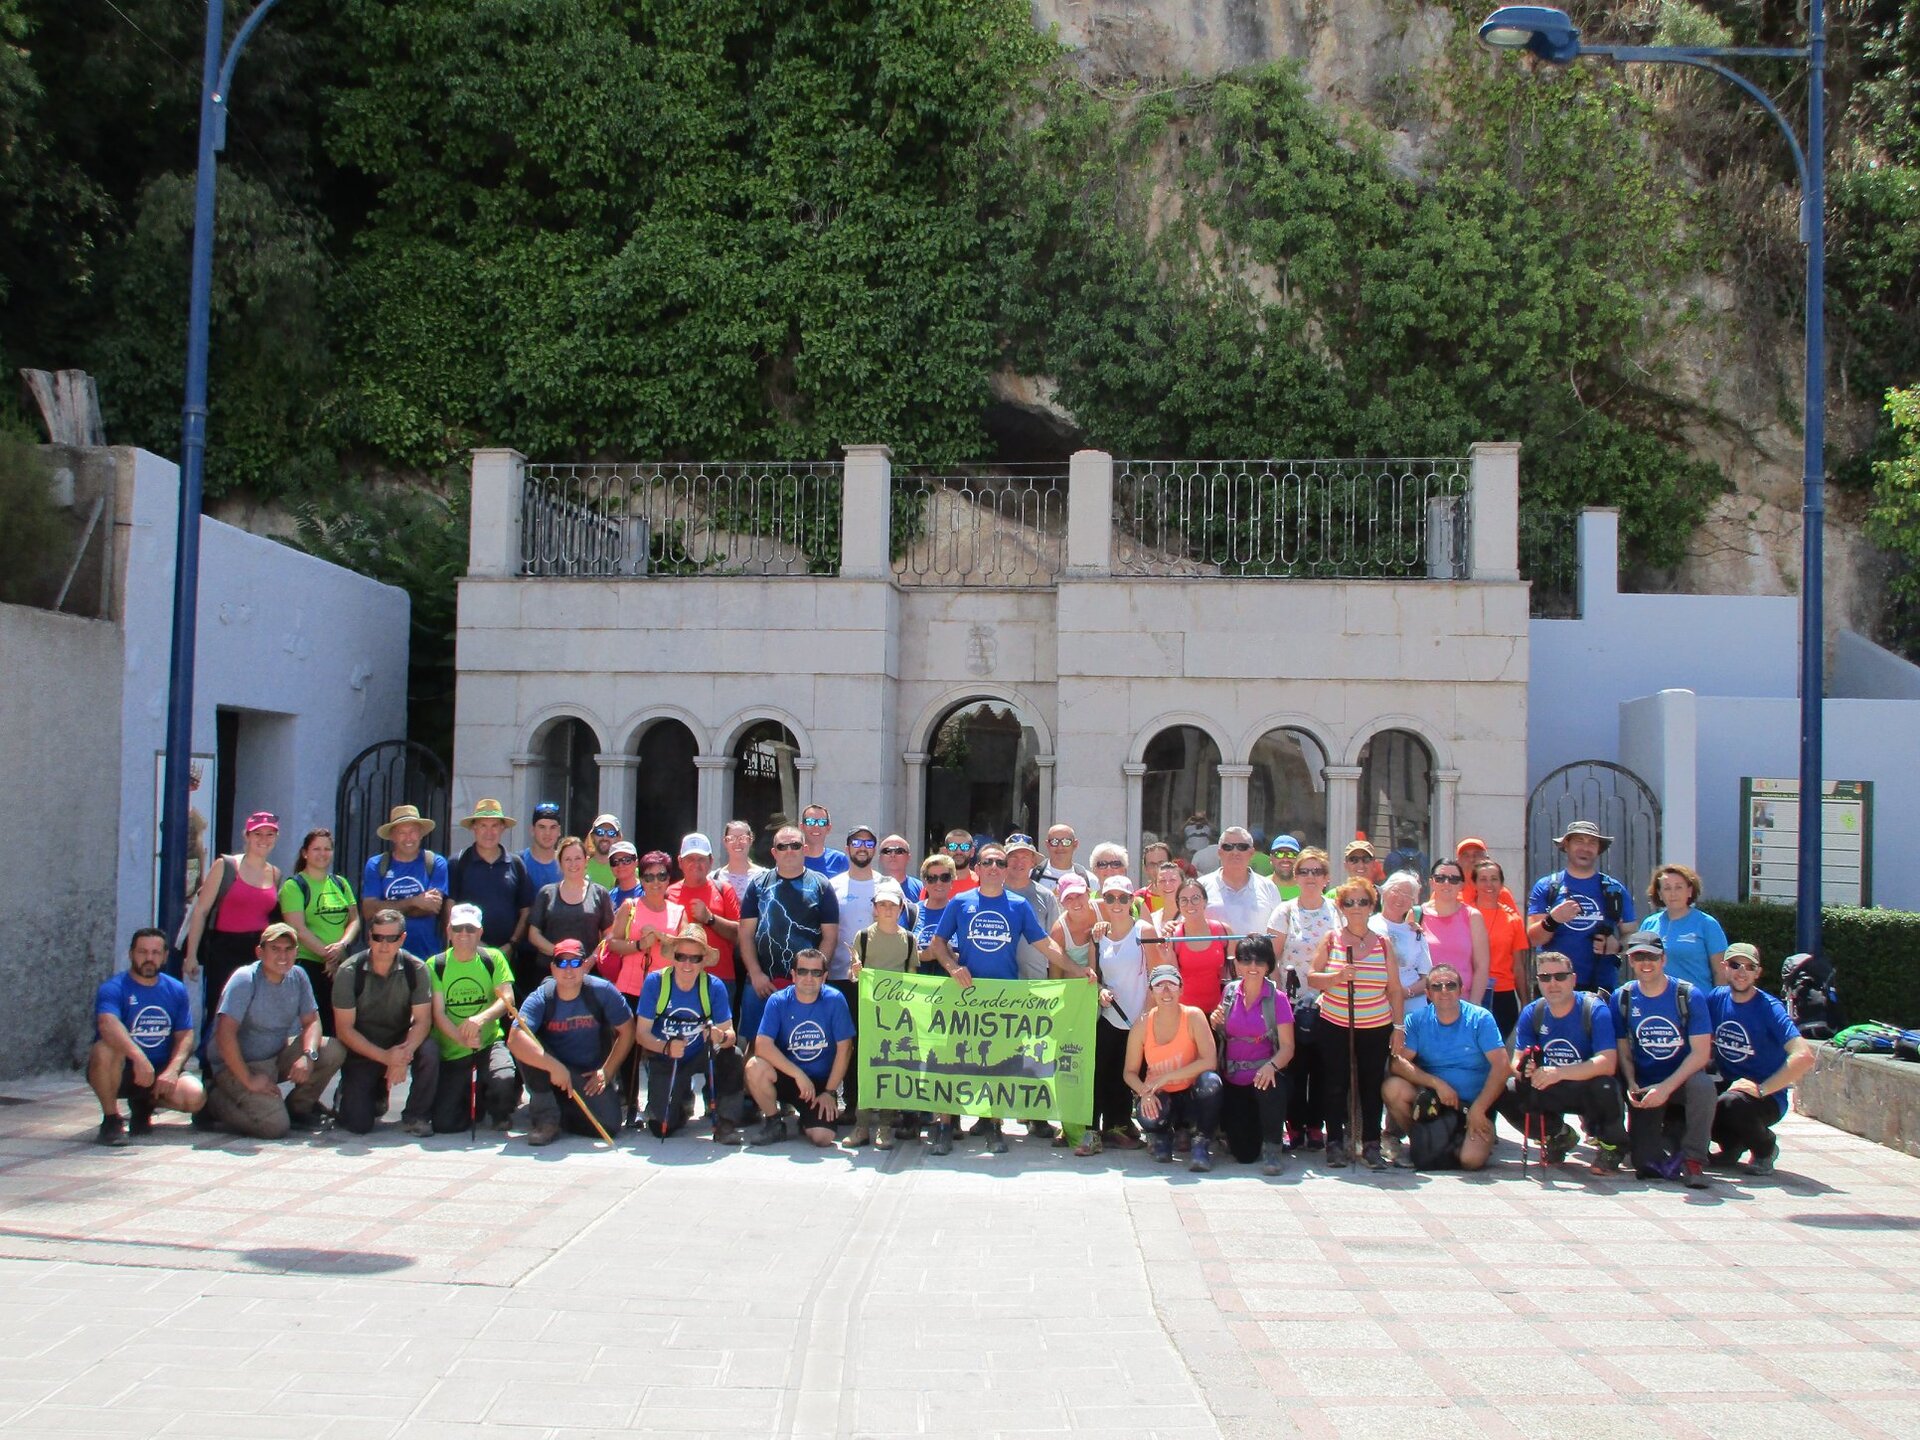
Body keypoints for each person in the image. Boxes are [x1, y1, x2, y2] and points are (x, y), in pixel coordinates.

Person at [928, 842, 1066, 1153]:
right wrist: (953, 967)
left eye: (1000, 863)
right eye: (988, 862)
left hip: (1004, 998)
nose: (994, 867)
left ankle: (993, 1125)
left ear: (1005, 871)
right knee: (953, 1062)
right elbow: (938, 943)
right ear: (976, 868)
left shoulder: (1019, 905)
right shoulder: (960, 902)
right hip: (965, 997)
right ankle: (945, 1126)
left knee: (997, 1064)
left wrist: (1078, 969)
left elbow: (1045, 945)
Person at [204, 923, 347, 1139]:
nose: (283, 955)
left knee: (332, 1049)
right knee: (274, 1126)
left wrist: (308, 1055)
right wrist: (248, 1080)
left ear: (296, 952)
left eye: (288, 949)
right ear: (259, 952)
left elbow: (312, 1021)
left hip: (275, 1057)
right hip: (236, 1066)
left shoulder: (298, 976)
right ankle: (212, 1103)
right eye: (275, 949)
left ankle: (299, 1108)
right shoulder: (245, 979)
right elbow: (225, 1035)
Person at [1501, 949, 1629, 1172]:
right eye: (1545, 977)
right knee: (1509, 1090)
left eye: (1560, 976)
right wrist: (1525, 1069)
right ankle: (1558, 1135)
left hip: (1586, 1087)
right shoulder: (1533, 1011)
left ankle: (1611, 1145)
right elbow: (1516, 1060)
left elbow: (1607, 1062)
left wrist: (1558, 1072)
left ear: (1573, 979)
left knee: (1606, 1086)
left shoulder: (1593, 1009)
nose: (1553, 983)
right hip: (1550, 1086)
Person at [1308, 877, 1405, 1170]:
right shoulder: (1332, 939)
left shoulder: (1383, 943)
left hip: (1375, 1025)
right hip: (1335, 1022)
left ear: (1371, 905)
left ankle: (1371, 1143)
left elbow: (1394, 989)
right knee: (1335, 1084)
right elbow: (1312, 977)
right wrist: (1337, 977)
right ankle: (1335, 1143)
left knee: (1371, 1085)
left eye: (1362, 901)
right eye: (1349, 902)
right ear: (1341, 907)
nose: (1356, 907)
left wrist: (1398, 1028)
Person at [508, 937, 634, 1145]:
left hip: (587, 1075)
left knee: (609, 1125)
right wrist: (553, 1066)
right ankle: (546, 1119)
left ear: (584, 965)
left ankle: (562, 1110)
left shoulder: (603, 991)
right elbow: (514, 1040)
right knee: (527, 1041)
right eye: (561, 963)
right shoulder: (542, 997)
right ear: (552, 968)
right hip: (551, 1070)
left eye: (575, 963)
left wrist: (607, 1070)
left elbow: (628, 1030)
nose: (568, 969)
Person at [1382, 963, 1507, 1170]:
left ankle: (1461, 1140)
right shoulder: (1416, 1020)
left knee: (1471, 1161)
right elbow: (1398, 1063)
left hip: (1473, 1106)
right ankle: (1423, 1143)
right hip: (1435, 1104)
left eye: (1450, 985)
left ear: (1460, 989)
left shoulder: (1480, 1018)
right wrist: (1436, 1083)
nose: (1444, 991)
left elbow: (1502, 1066)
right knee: (1393, 1088)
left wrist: (1479, 1108)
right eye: (1437, 986)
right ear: (1428, 993)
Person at [1615, 930, 1713, 1187]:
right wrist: (1631, 1082)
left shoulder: (1688, 995)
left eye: (1652, 957)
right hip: (1645, 1083)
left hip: (1681, 1080)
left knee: (1703, 1085)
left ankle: (1694, 1158)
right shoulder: (1623, 997)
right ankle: (1665, 1138)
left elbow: (1701, 1054)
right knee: (1644, 1163)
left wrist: (1665, 1088)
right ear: (1631, 961)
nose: (1646, 963)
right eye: (1639, 957)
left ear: (1663, 959)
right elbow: (1623, 1048)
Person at [1708, 942, 1817, 1175]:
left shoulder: (1769, 1008)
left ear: (1758, 972)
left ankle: (1765, 1148)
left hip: (1764, 1096)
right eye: (1735, 965)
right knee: (1695, 1096)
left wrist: (1762, 1088)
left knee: (1731, 1103)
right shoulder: (1716, 999)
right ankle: (1731, 1145)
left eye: (1749, 967)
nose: (1742, 972)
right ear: (1724, 967)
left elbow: (1804, 1055)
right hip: (1729, 1084)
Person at [183, 811, 283, 1061]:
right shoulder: (226, 866)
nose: (263, 839)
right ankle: (211, 1065)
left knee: (252, 1011)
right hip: (224, 948)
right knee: (220, 1009)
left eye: (269, 834)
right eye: (258, 834)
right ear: (246, 836)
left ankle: (244, 1063)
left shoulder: (275, 874)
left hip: (258, 951)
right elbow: (201, 911)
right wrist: (191, 955)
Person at [90, 928, 204, 1144]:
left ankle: (144, 1105)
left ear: (165, 956)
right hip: (122, 1069)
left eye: (155, 952)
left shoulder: (176, 989)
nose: (149, 958)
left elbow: (185, 1035)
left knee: (194, 1097)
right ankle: (111, 1119)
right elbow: (107, 1024)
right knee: (103, 1050)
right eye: (142, 952)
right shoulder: (113, 988)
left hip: (159, 1071)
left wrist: (172, 1071)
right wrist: (139, 1058)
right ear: (131, 954)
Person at [331, 910, 438, 1136]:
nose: (384, 945)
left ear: (402, 938)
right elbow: (344, 1030)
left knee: (429, 1050)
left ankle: (417, 1115)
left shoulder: (416, 968)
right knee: (358, 1125)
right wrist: (386, 1058)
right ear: (369, 936)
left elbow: (423, 1021)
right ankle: (361, 1091)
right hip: (362, 1045)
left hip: (399, 1041)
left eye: (392, 938)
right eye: (378, 937)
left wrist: (403, 1055)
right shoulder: (349, 971)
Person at [634, 924, 744, 1142]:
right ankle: (681, 1100)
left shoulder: (714, 986)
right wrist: (666, 1047)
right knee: (661, 1128)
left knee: (733, 1056)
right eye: (681, 956)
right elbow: (641, 1034)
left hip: (702, 1054)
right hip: (667, 1057)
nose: (687, 964)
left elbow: (729, 1033)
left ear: (703, 961)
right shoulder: (656, 982)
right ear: (673, 957)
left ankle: (726, 1123)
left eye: (695, 958)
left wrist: (720, 1038)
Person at [738, 824, 840, 1047]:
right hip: (762, 984)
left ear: (805, 849)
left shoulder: (822, 886)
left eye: (795, 845)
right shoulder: (757, 885)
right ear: (774, 852)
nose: (789, 851)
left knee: (804, 1047)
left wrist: (814, 977)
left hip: (807, 984)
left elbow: (830, 937)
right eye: (782, 847)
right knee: (756, 1047)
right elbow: (745, 934)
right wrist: (755, 974)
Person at [745, 948, 854, 1147]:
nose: (809, 978)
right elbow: (762, 1046)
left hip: (820, 1084)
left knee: (823, 1138)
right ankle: (773, 1122)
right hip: (788, 1076)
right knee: (754, 1066)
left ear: (825, 977)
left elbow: (845, 1049)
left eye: (816, 972)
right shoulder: (778, 1001)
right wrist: (798, 1074)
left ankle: (808, 1119)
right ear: (793, 975)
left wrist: (830, 1092)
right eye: (803, 971)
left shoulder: (835, 1000)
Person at [1078, 875, 1154, 1156]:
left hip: (1140, 1018)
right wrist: (1100, 991)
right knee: (1099, 1073)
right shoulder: (1097, 937)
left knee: (1127, 1075)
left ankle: (1119, 1126)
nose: (1116, 903)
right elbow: (1094, 978)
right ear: (1103, 901)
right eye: (1110, 898)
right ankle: (1092, 1131)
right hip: (1111, 1017)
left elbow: (1158, 974)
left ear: (1132, 900)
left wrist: (1146, 1014)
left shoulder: (1144, 930)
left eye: (1123, 898)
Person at [1267, 847, 1338, 1150]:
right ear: (1295, 876)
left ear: (1326, 878)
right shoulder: (1284, 912)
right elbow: (1271, 959)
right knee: (1294, 1067)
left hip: (1329, 1002)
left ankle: (1315, 1126)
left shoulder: (1337, 911)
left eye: (1317, 872)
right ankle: (1294, 1126)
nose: (1310, 877)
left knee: (1323, 1068)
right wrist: (1279, 998)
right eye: (1304, 871)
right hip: (1291, 1002)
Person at [427, 904, 520, 1133]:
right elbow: (438, 1013)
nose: (464, 934)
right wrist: (462, 1039)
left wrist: (480, 1019)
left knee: (504, 1078)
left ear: (480, 932)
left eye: (470, 929)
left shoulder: (494, 958)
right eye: (458, 928)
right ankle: (473, 1099)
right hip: (452, 1050)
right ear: (448, 931)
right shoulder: (435, 964)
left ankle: (499, 1112)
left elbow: (507, 998)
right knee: (445, 1124)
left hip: (488, 1042)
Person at [1209, 936, 1293, 1173]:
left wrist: (1271, 1067)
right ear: (1236, 964)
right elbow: (1224, 1032)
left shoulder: (1278, 999)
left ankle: (1273, 1147)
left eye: (1259, 961)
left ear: (1268, 965)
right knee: (1244, 1155)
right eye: (1246, 960)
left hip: (1264, 1077)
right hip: (1233, 1079)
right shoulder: (1229, 992)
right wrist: (1215, 1022)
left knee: (1271, 1086)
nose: (1252, 966)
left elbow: (1288, 1047)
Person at [1128, 966, 1223, 1172]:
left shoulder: (1194, 1016)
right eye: (1159, 985)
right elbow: (1129, 1072)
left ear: (1181, 989)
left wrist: (1167, 1077)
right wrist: (1144, 1093)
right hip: (1161, 1096)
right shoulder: (1142, 1024)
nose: (1166, 991)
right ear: (1151, 992)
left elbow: (1209, 1062)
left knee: (1211, 1083)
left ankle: (1201, 1141)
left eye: (1171, 984)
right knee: (1149, 1114)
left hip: (1191, 1095)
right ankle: (1162, 1134)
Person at [1528, 820, 1635, 993]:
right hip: (1554, 986)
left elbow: (1632, 935)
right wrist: (1553, 920)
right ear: (1566, 845)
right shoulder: (1547, 887)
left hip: (1600, 988)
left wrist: (1618, 947)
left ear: (1599, 849)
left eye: (1592, 842)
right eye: (1579, 841)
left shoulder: (1614, 889)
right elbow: (1533, 939)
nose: (1585, 848)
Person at [847, 881, 915, 1147]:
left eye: (892, 905)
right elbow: (853, 975)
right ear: (874, 908)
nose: (887, 909)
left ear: (901, 909)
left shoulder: (909, 939)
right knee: (866, 1068)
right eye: (882, 904)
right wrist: (856, 972)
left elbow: (912, 979)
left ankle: (885, 1126)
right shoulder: (863, 936)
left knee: (891, 1068)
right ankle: (861, 1125)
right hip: (868, 1012)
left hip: (896, 1015)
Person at [278, 827, 359, 1037]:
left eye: (327, 849)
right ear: (305, 853)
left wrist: (341, 946)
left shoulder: (341, 883)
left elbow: (355, 920)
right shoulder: (294, 886)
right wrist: (328, 955)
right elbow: (298, 929)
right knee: (315, 1024)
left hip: (340, 964)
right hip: (309, 965)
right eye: (316, 849)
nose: (322, 854)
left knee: (340, 1025)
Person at [360, 804, 448, 964]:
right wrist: (415, 901)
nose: (408, 838)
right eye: (402, 832)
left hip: (427, 956)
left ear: (420, 834)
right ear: (393, 836)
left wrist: (386, 909)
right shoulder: (376, 864)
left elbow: (432, 907)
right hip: (386, 958)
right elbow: (369, 911)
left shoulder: (435, 862)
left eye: (413, 831)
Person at [447, 799, 532, 960]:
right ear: (474, 827)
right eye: (483, 826)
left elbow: (526, 911)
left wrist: (512, 944)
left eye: (494, 826)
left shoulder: (516, 864)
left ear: (502, 828)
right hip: (466, 953)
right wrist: (473, 944)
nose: (489, 832)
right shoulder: (458, 863)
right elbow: (449, 909)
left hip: (507, 955)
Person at [668, 833, 743, 1008]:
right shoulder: (668, 893)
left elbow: (739, 935)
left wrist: (710, 918)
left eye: (701, 859)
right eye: (690, 859)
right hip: (678, 978)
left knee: (721, 1026)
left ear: (711, 861)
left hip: (720, 979)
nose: (696, 864)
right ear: (680, 862)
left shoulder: (724, 890)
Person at [526, 836, 615, 981]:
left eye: (577, 858)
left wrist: (591, 960)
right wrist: (562, 955)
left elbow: (609, 935)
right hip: (550, 972)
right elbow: (533, 935)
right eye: (567, 859)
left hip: (588, 972)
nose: (573, 864)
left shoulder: (600, 893)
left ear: (586, 861)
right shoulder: (546, 893)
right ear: (560, 863)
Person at [1639, 863, 1728, 990]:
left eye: (1679, 887)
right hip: (1656, 999)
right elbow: (1640, 966)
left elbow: (1721, 972)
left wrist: (1718, 1000)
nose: (1673, 893)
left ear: (1689, 891)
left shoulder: (1707, 924)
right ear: (1659, 893)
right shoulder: (1649, 924)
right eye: (1667, 888)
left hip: (1697, 999)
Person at [1470, 857, 1532, 1034]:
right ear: (1474, 884)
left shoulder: (1513, 919)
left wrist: (1525, 1002)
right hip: (1469, 991)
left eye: (1494, 879)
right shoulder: (1463, 915)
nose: (1489, 884)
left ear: (1502, 884)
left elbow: (1518, 966)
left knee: (1497, 1047)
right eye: (1483, 879)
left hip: (1503, 994)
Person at [1158, 877, 1232, 1017]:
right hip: (1185, 1014)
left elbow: (1235, 976)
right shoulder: (1174, 935)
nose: (1190, 904)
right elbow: (1173, 980)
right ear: (1178, 905)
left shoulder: (1223, 931)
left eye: (1195, 898)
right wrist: (1167, 957)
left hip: (1218, 1014)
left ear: (1205, 901)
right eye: (1184, 900)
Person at [1421, 858, 1490, 1006]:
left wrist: (1474, 1005)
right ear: (1432, 882)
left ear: (1461, 885)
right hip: (1424, 1002)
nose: (1446, 883)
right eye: (1440, 878)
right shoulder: (1417, 914)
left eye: (1453, 879)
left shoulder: (1472, 916)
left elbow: (1482, 965)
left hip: (1462, 1002)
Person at [516, 802, 565, 999]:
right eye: (542, 827)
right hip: (524, 954)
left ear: (559, 831)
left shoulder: (567, 864)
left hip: (559, 956)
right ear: (532, 830)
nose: (547, 833)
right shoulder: (518, 863)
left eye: (553, 827)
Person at [1200, 827, 1280, 940]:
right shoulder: (1201, 886)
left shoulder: (1269, 887)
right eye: (1228, 847)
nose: (1235, 852)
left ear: (1251, 852)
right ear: (1219, 852)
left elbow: (1279, 932)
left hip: (1258, 951)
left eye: (1242, 847)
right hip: (1214, 952)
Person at [1003, 834, 1062, 983]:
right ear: (1004, 860)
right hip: (995, 982)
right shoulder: (990, 891)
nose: (1019, 862)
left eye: (1024, 857)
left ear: (1033, 862)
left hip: (1034, 982)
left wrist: (1054, 984)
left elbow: (1056, 942)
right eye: (1013, 857)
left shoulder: (1046, 896)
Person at [1373, 871, 1432, 1016]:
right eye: (1397, 891)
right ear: (1385, 891)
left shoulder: (1415, 933)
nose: (1401, 898)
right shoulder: (1367, 925)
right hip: (1375, 1005)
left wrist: (1406, 992)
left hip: (1412, 1008)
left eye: (1407, 895)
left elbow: (1427, 977)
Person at [912, 853, 956, 974]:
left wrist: (950, 956)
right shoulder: (911, 912)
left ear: (952, 881)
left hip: (953, 983)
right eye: (932, 878)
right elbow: (899, 952)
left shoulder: (960, 913)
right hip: (917, 983)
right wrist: (926, 955)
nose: (938, 883)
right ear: (924, 883)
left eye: (945, 877)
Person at [1455, 838, 1518, 910]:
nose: (1472, 859)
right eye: (1466, 855)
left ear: (1487, 859)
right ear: (1458, 862)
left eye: (1477, 854)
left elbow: (1513, 916)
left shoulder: (1499, 892)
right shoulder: (1452, 893)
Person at [718, 819, 766, 905]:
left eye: (742, 838)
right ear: (725, 842)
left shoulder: (764, 876)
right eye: (732, 838)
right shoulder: (715, 878)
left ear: (750, 841)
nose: (737, 843)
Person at [799, 803, 851, 878]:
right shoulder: (793, 857)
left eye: (822, 822)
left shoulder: (839, 860)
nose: (816, 826)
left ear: (828, 828)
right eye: (810, 822)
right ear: (802, 827)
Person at [1042, 824, 1093, 891]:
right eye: (1054, 842)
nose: (1060, 847)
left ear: (1075, 844)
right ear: (1047, 845)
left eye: (1066, 842)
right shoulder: (1032, 876)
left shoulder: (1090, 880)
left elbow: (1094, 898)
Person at [874, 834, 922, 904]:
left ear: (908, 857)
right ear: (880, 857)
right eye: (887, 851)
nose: (893, 855)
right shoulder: (871, 887)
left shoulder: (920, 888)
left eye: (899, 851)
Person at [585, 813, 623, 889]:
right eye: (600, 832)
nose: (605, 837)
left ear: (618, 838)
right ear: (592, 836)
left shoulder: (627, 868)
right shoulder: (581, 866)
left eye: (611, 833)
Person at [605, 841, 645, 912]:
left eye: (626, 860)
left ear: (636, 863)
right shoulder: (608, 897)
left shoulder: (647, 891)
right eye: (615, 861)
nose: (620, 865)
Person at [940, 828, 979, 894]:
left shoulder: (981, 883)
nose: (959, 851)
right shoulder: (934, 884)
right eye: (953, 846)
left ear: (972, 852)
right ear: (945, 852)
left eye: (965, 847)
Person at [1268, 836, 1303, 902]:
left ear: (1299, 859)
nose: (1285, 859)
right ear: (1271, 858)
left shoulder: (1309, 889)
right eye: (1279, 854)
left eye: (1292, 854)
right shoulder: (1260, 887)